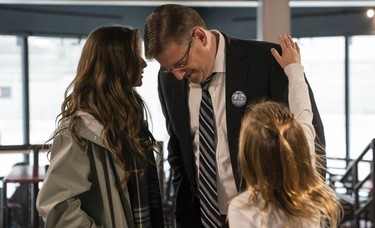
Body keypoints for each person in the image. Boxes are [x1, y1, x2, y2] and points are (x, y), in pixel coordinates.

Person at [144, 4, 325, 227]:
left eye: (181, 64)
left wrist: (309, 209)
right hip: (199, 218)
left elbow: (308, 140)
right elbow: (178, 149)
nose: (178, 76)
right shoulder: (168, 80)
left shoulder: (269, 62)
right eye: (169, 68)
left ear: (201, 37)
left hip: (265, 218)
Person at [36, 25, 164, 228]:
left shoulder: (130, 122)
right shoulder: (78, 130)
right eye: (135, 55)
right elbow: (56, 206)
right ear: (116, 62)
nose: (143, 63)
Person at [227, 34, 342, 227]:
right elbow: (303, 112)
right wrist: (294, 69)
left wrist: (294, 69)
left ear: (248, 155)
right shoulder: (310, 194)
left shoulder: (242, 209)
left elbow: (304, 114)